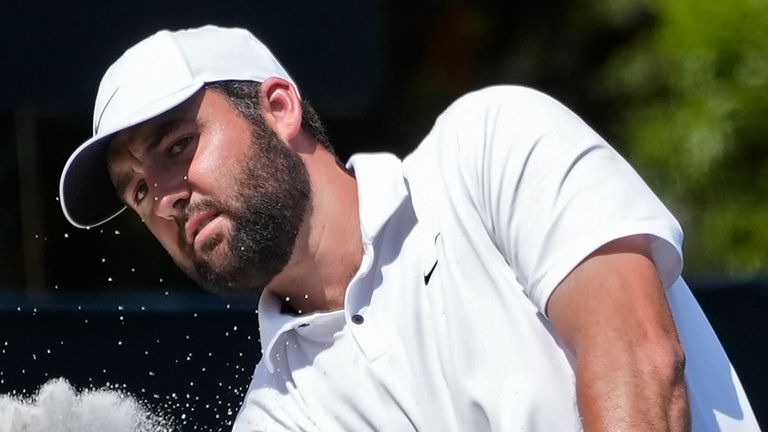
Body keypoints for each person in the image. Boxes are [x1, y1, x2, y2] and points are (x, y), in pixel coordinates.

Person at [59, 25, 758, 431]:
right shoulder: (276, 416)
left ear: (279, 108)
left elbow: (640, 361)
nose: (165, 199)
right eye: (140, 190)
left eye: (180, 146)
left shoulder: (491, 144)